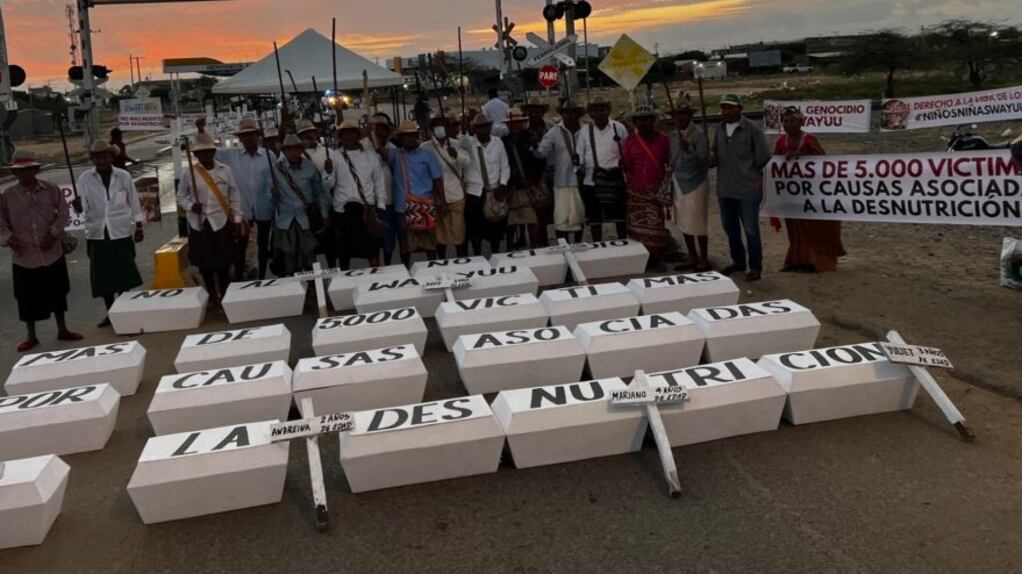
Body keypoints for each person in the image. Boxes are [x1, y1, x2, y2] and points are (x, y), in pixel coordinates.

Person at [0, 152, 82, 351]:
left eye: (29, 169)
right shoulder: (7, 196)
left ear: (36, 170)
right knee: (26, 297)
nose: (25, 173)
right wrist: (9, 239)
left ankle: (63, 329)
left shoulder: (51, 189)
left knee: (58, 292)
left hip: (51, 251)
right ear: (14, 172)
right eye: (20, 170)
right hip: (24, 256)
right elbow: (1, 222)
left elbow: (63, 213)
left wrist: (53, 233)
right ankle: (31, 336)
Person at [78, 140, 144, 327]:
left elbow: (134, 200)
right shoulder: (85, 178)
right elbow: (82, 206)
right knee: (103, 277)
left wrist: (139, 226)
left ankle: (125, 310)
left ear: (111, 157)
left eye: (105, 156)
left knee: (123, 274)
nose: (101, 160)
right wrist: (78, 206)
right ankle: (111, 312)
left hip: (120, 230)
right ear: (92, 159)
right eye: (97, 157)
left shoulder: (123, 176)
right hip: (97, 233)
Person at [773, 107, 845, 273]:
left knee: (812, 227)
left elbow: (822, 160)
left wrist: (800, 155)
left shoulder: (809, 139)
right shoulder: (781, 141)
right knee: (794, 227)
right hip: (790, 192)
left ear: (801, 122)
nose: (788, 124)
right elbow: (775, 162)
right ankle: (796, 260)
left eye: (792, 120)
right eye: (785, 121)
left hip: (811, 191)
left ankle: (814, 262)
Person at [709, 93, 770, 282]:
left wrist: (748, 172)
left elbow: (762, 157)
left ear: (739, 109)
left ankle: (755, 266)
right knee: (730, 228)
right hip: (725, 189)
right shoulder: (718, 129)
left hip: (746, 189)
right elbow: (715, 156)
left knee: (751, 230)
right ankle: (738, 262)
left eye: (730, 107)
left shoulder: (752, 129)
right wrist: (710, 160)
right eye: (723, 107)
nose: (726, 111)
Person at [177, 133, 242, 306]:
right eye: (201, 153)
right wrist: (191, 206)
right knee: (205, 264)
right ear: (196, 155)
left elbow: (234, 194)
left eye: (208, 151)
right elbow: (180, 196)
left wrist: (237, 218)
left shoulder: (225, 170)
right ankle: (212, 295)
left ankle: (225, 295)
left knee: (223, 263)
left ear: (213, 151)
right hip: (200, 224)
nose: (205, 155)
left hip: (221, 221)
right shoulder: (188, 173)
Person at [212, 118, 273, 280]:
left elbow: (277, 177)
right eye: (245, 136)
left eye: (252, 135)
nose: (249, 139)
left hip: (264, 206)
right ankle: (239, 276)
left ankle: (262, 275)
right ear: (240, 139)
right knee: (240, 244)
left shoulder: (268, 155)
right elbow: (209, 152)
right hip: (242, 209)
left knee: (263, 244)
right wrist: (202, 131)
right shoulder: (231, 155)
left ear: (258, 136)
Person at [620, 105, 671, 271]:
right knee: (638, 227)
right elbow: (627, 165)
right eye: (640, 120)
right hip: (636, 190)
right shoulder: (629, 142)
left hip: (656, 189)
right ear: (635, 122)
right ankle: (643, 258)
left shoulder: (664, 139)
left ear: (653, 120)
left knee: (656, 227)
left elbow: (669, 163)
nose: (644, 123)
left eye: (647, 119)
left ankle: (657, 259)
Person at [272, 134, 329, 276]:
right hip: (286, 220)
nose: (292, 153)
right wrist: (272, 193)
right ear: (284, 152)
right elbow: (269, 196)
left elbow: (319, 193)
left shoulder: (310, 168)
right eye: (288, 150)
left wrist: (324, 215)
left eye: (295, 149)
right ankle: (296, 290)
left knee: (310, 257)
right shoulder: (276, 169)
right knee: (289, 259)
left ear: (301, 150)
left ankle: (312, 287)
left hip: (306, 219)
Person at [333, 119, 386, 269]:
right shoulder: (334, 156)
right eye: (345, 134)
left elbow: (378, 182)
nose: (349, 137)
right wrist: (329, 173)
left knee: (372, 250)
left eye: (352, 133)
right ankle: (343, 278)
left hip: (367, 209)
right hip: (343, 209)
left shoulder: (371, 156)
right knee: (344, 251)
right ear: (341, 137)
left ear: (358, 136)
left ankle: (376, 277)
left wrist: (381, 205)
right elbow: (328, 185)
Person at [391, 120, 446, 263]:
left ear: (416, 136)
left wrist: (443, 201)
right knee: (405, 241)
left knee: (429, 241)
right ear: (400, 138)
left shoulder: (427, 155)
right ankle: (406, 271)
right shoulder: (394, 155)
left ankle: (432, 268)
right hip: (403, 205)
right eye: (405, 136)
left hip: (425, 202)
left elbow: (437, 179)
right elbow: (378, 147)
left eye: (412, 135)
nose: (409, 139)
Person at [577, 96, 628, 241]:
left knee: (619, 217)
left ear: (608, 111)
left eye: (602, 109)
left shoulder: (619, 128)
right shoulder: (585, 131)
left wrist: (621, 165)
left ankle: (623, 244)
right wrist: (576, 161)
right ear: (590, 113)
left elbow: (627, 151)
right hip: (592, 181)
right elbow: (580, 157)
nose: (599, 113)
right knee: (595, 219)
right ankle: (598, 246)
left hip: (615, 179)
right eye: (595, 110)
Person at [534, 99, 586, 243]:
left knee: (579, 218)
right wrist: (534, 145)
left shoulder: (586, 131)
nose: (570, 116)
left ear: (578, 114)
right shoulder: (554, 132)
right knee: (561, 219)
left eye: (573, 113)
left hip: (582, 181)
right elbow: (541, 153)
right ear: (562, 114)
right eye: (566, 113)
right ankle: (562, 249)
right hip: (562, 181)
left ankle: (577, 246)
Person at [668, 103, 711, 271]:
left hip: (696, 181)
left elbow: (704, 160)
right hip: (679, 180)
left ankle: (704, 258)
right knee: (683, 221)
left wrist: (688, 149)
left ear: (690, 116)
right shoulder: (672, 135)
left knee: (698, 221)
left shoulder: (699, 135)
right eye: (676, 115)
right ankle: (692, 256)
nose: (679, 118)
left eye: (683, 114)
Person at [460, 114, 509, 256]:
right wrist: (464, 130)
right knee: (475, 229)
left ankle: (496, 255)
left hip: (495, 189)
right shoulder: (469, 143)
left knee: (496, 226)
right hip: (475, 192)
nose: (483, 130)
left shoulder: (498, 142)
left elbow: (504, 165)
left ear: (490, 127)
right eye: (479, 127)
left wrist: (503, 184)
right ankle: (477, 256)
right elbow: (460, 142)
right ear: (474, 129)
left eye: (485, 126)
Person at [426, 114, 469, 258]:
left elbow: (467, 162)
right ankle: (442, 261)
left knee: (459, 233)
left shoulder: (455, 144)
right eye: (437, 126)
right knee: (440, 235)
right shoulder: (426, 147)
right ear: (432, 129)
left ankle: (461, 260)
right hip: (436, 196)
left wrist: (456, 155)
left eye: (443, 125)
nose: (440, 128)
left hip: (455, 194)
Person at [297, 118, 337, 267]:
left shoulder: (329, 153)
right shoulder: (296, 154)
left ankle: (333, 274)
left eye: (311, 132)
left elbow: (332, 182)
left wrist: (329, 172)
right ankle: (313, 280)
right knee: (309, 248)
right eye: (304, 133)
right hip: (306, 207)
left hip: (326, 204)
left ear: (316, 133)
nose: (308, 135)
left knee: (330, 246)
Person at [363, 113, 401, 264]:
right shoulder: (365, 147)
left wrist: (387, 156)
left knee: (388, 236)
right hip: (371, 199)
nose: (379, 132)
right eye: (376, 128)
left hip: (389, 198)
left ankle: (388, 264)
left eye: (382, 129)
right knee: (372, 236)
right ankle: (374, 264)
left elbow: (399, 170)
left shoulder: (393, 148)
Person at [504, 109, 542, 250]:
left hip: (529, 184)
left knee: (532, 220)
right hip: (512, 185)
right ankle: (509, 249)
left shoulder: (531, 138)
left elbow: (540, 160)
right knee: (511, 221)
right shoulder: (504, 141)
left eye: (518, 123)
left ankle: (533, 247)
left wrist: (533, 178)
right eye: (512, 124)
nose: (515, 126)